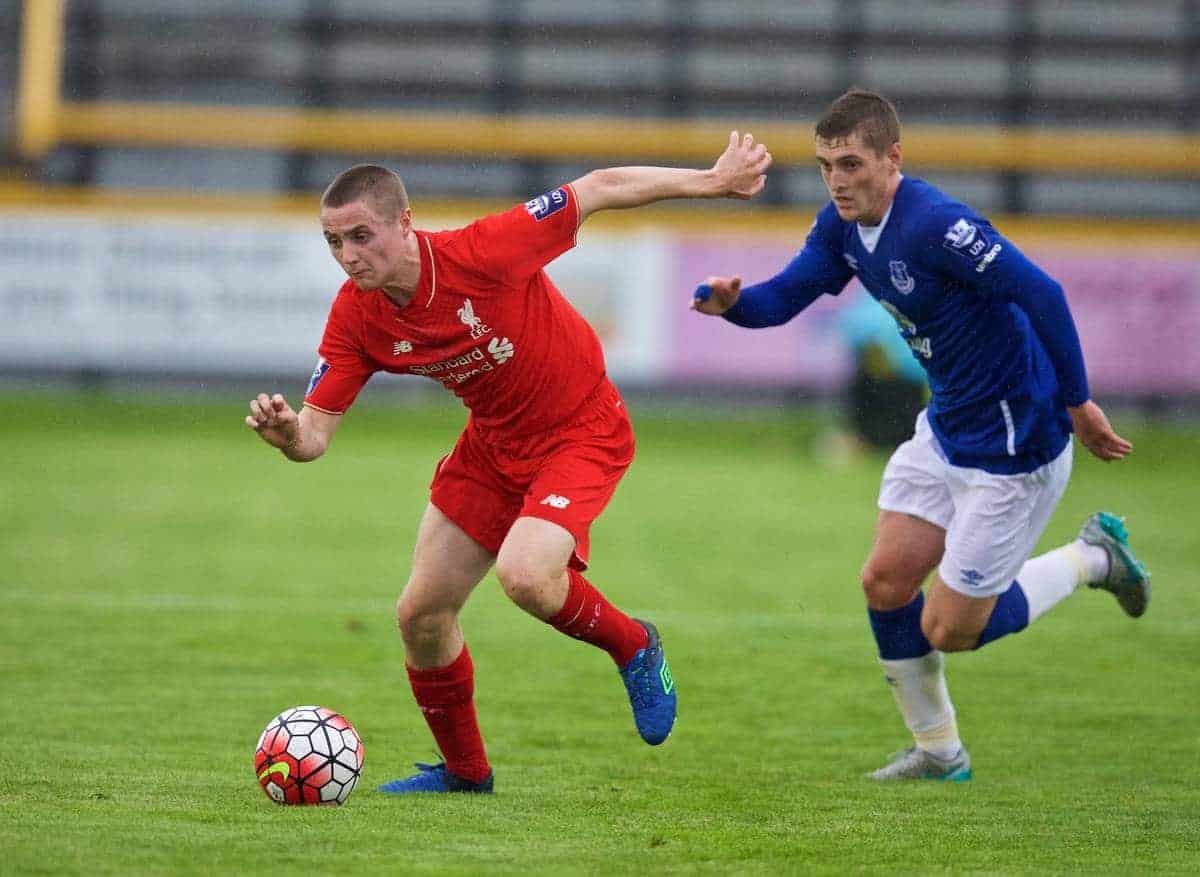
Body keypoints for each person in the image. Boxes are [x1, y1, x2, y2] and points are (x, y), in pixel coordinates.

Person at [245, 133, 773, 793]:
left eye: (361, 236)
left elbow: (599, 186)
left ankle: (633, 644)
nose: (349, 256)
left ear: (404, 223)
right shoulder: (358, 315)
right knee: (421, 614)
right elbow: (316, 433)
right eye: (334, 243)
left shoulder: (485, 250)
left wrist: (714, 181)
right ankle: (467, 774)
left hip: (581, 428)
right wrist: (288, 433)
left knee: (526, 575)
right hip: (493, 446)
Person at [691, 89, 1150, 781]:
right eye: (825, 166)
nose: (838, 180)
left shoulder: (937, 224)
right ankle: (939, 751)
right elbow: (782, 298)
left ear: (891, 158)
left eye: (851, 163)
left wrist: (1079, 403)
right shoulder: (842, 226)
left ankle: (1092, 558)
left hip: (1014, 444)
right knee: (884, 581)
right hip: (945, 428)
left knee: (949, 628)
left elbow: (1043, 293)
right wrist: (732, 305)